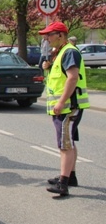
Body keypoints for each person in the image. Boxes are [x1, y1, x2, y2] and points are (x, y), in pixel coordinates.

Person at [39, 22, 90, 196]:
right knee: (69, 143)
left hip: (69, 107)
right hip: (67, 106)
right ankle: (70, 176)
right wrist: (49, 67)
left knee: (65, 145)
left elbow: (72, 78)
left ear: (60, 35)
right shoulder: (61, 52)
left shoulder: (69, 51)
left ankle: (63, 183)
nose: (46, 38)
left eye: (49, 35)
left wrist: (61, 102)